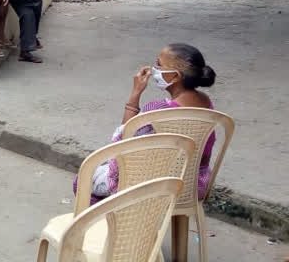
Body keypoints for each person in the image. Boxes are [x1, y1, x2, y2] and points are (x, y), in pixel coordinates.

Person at [78, 43, 216, 204]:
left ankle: (120, 226)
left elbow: (124, 140)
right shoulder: (207, 102)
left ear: (176, 76)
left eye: (159, 64)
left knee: (83, 181)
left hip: (159, 187)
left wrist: (135, 93)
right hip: (195, 185)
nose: (153, 69)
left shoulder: (159, 110)